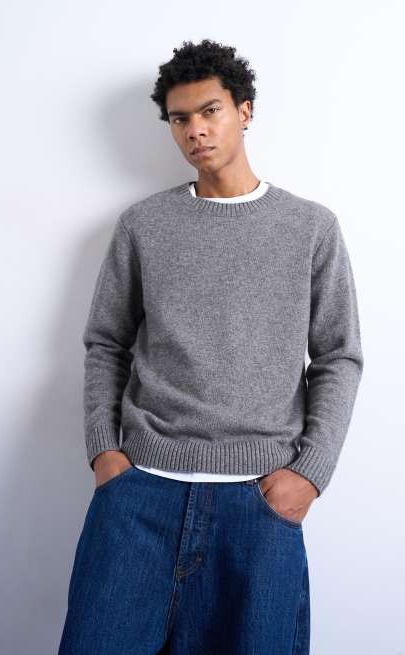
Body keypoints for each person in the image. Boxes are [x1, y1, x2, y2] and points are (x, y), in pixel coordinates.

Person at [57, 39, 364, 655]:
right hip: (139, 496)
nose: (195, 129)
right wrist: (104, 454)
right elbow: (106, 343)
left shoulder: (310, 227)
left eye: (210, 110)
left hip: (258, 506)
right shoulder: (143, 224)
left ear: (244, 111)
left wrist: (309, 474)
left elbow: (338, 356)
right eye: (179, 118)